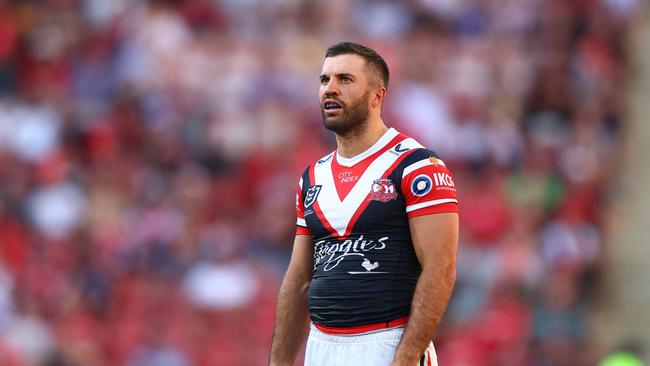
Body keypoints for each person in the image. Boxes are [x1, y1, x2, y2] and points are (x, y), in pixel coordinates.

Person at [269, 42, 459, 366]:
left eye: (345, 79)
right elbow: (298, 278)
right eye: (324, 80)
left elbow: (440, 269)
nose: (330, 89)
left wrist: (408, 355)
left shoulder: (418, 166)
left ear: (377, 96)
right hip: (322, 346)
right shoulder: (312, 178)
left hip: (386, 343)